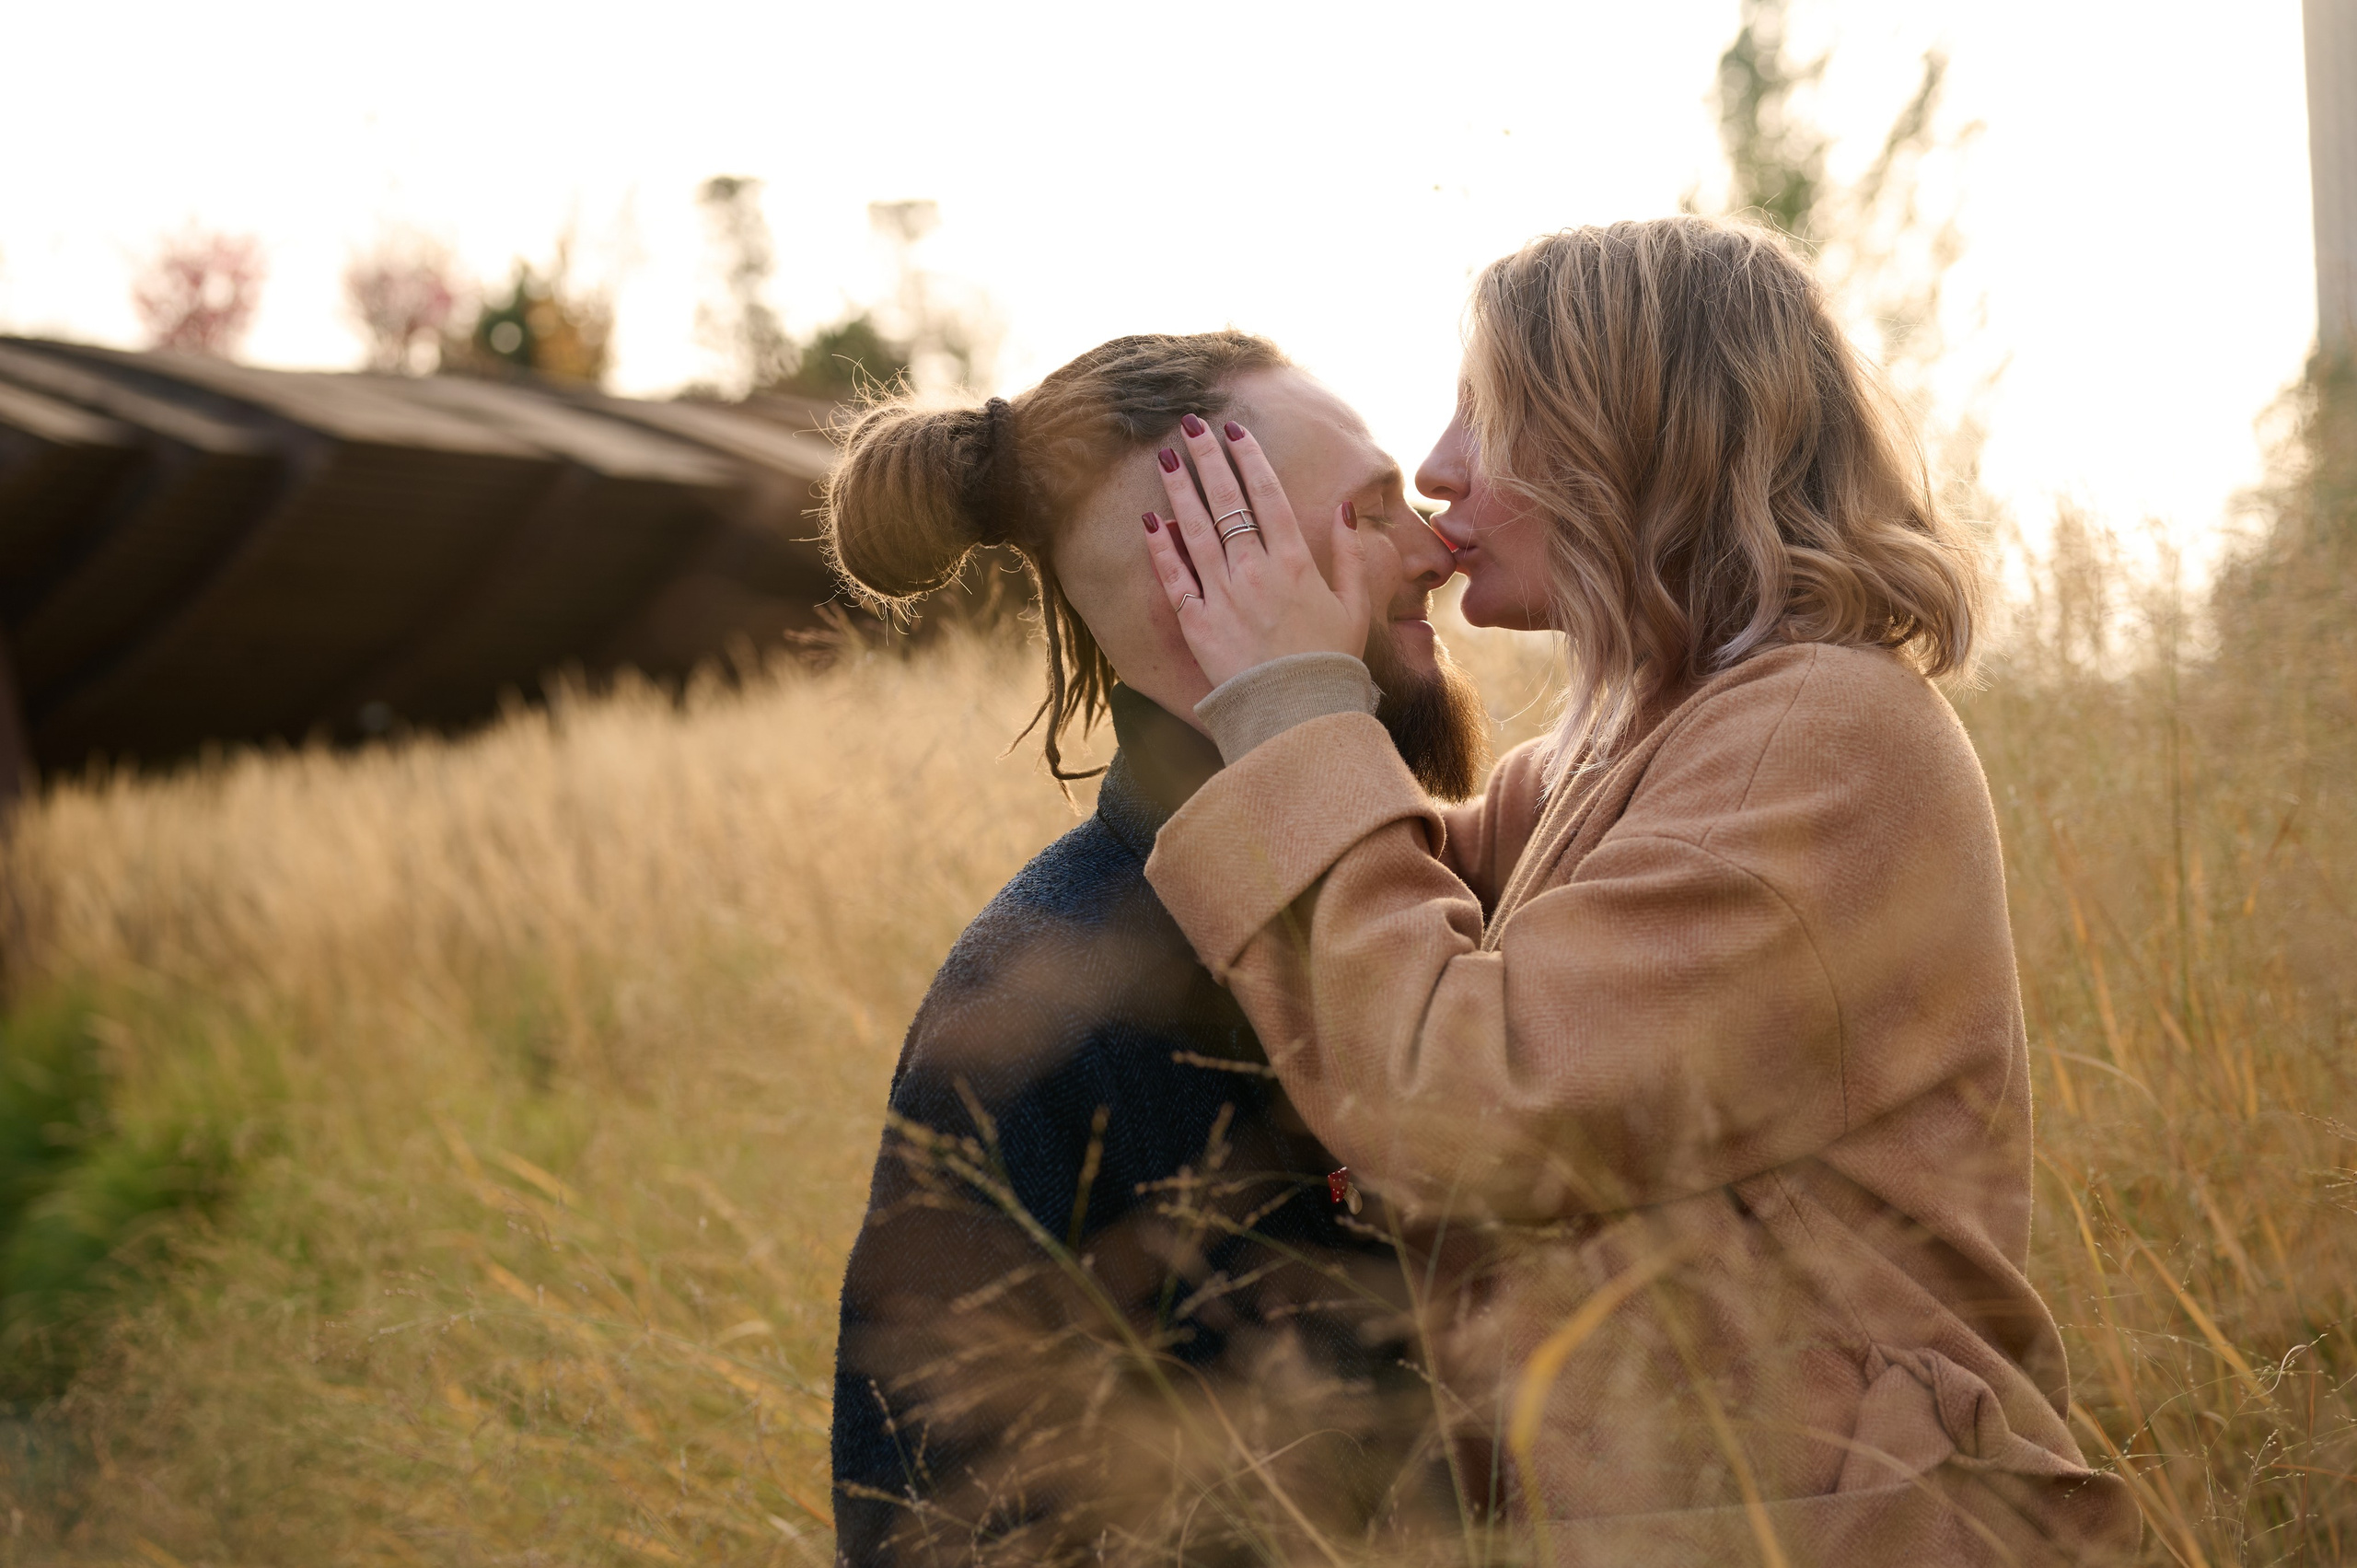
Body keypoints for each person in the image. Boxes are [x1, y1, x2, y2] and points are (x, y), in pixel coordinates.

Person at [1135, 219, 2142, 1564]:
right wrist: (1272, 649)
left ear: (1636, 444)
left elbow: (1466, 1098)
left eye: (1486, 420)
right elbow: (1389, 900)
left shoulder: (1823, 737)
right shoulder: (1642, 743)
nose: (1436, 472)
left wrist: (1292, 704)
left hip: (1842, 1521)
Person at [822, 331, 1486, 1565]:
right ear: (1217, 571)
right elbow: (933, 1531)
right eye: (1372, 509)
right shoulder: (1039, 1009)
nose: (1437, 549)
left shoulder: (1446, 887)